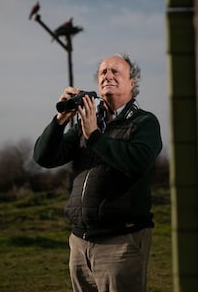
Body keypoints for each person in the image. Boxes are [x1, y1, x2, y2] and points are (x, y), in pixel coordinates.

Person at [33, 53, 162, 292]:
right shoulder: (88, 122)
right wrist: (59, 121)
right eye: (103, 72)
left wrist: (95, 137)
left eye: (116, 72)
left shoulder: (144, 123)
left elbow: (137, 162)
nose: (108, 76)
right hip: (80, 243)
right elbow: (44, 157)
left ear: (132, 83)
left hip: (121, 242)